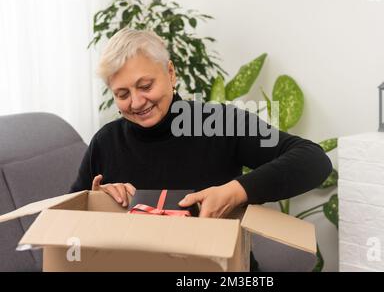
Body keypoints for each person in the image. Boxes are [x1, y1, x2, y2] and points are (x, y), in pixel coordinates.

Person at [70, 28, 332, 220]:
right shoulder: (106, 141)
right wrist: (95, 201)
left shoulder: (220, 123)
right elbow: (68, 217)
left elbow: (313, 161)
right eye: (122, 94)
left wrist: (236, 192)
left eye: (145, 86)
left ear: (170, 73)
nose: (136, 102)